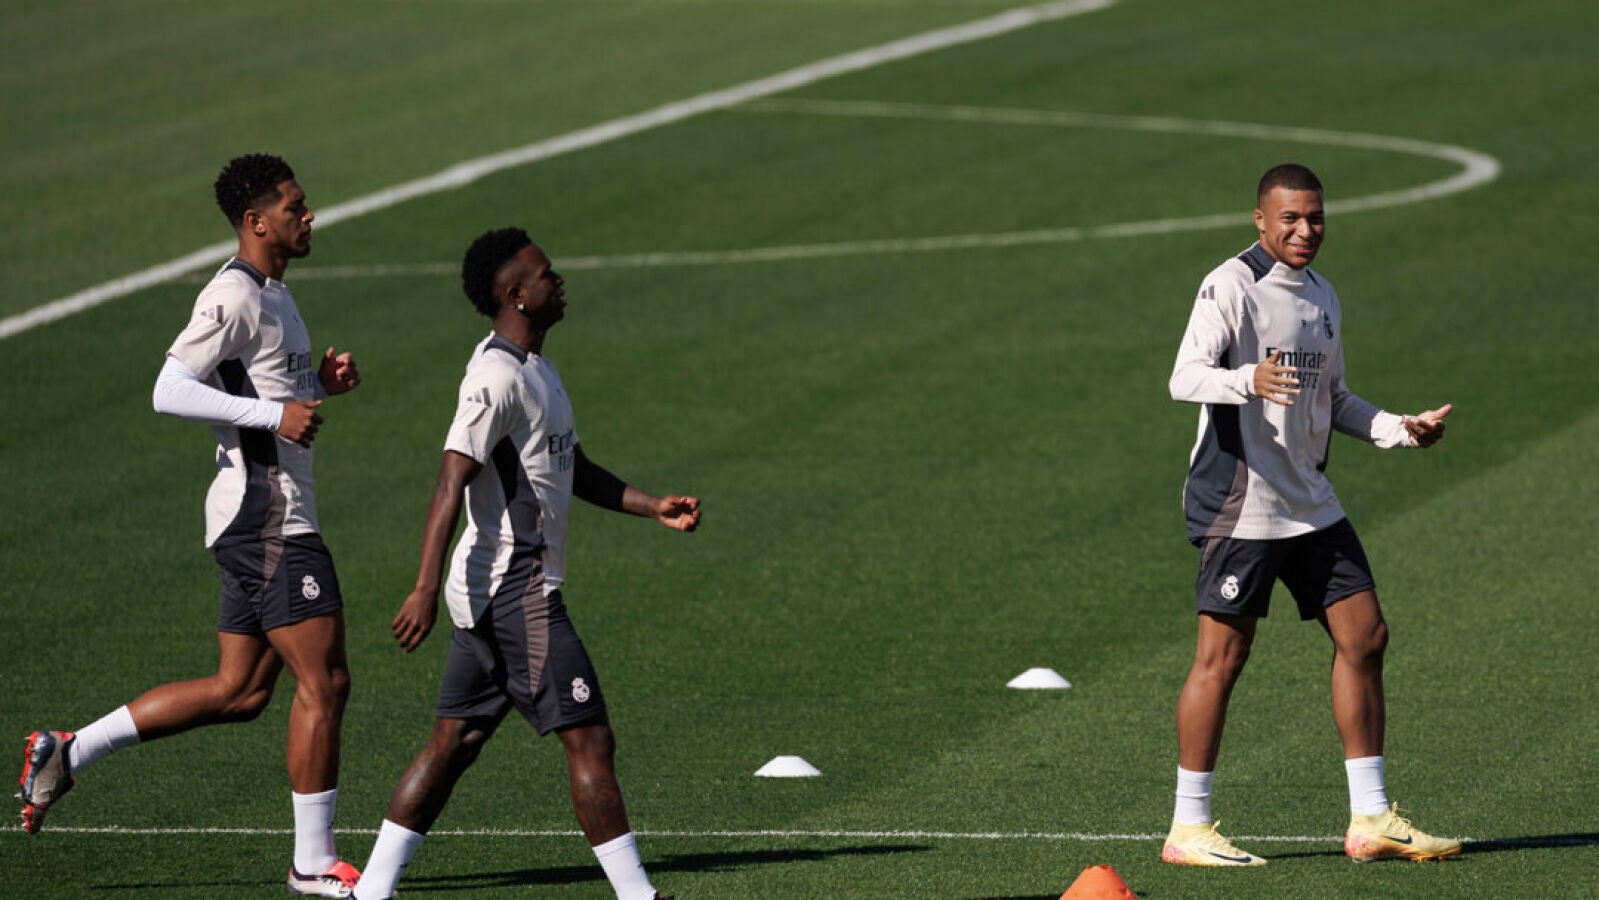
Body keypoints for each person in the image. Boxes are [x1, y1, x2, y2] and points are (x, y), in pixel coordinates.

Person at [17, 154, 364, 896]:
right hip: (268, 518)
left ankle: (69, 751)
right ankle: (312, 863)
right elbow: (169, 388)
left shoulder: (275, 293)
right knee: (325, 681)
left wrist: (316, 385)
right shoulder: (233, 294)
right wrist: (274, 414)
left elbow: (262, 383)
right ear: (256, 221)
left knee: (240, 692)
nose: (309, 216)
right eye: (295, 207)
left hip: (259, 514)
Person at [349, 227, 698, 900]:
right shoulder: (495, 379)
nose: (558, 280)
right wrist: (421, 588)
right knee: (589, 740)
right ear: (514, 294)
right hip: (516, 589)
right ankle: (638, 897)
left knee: (453, 744)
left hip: (492, 592)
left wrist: (650, 504)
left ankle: (371, 891)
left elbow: (572, 467)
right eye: (545, 274)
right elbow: (450, 481)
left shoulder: (537, 369)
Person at [1160, 163, 1460, 867]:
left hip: (1308, 502)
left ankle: (1371, 819)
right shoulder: (1229, 285)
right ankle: (1188, 828)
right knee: (1222, 657)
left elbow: (1335, 397)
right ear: (1260, 220)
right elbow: (1184, 376)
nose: (1304, 230)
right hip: (1242, 504)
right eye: (1289, 218)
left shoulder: (1322, 294)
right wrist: (1248, 378)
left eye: (1315, 217)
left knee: (1366, 635)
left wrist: (1399, 429)